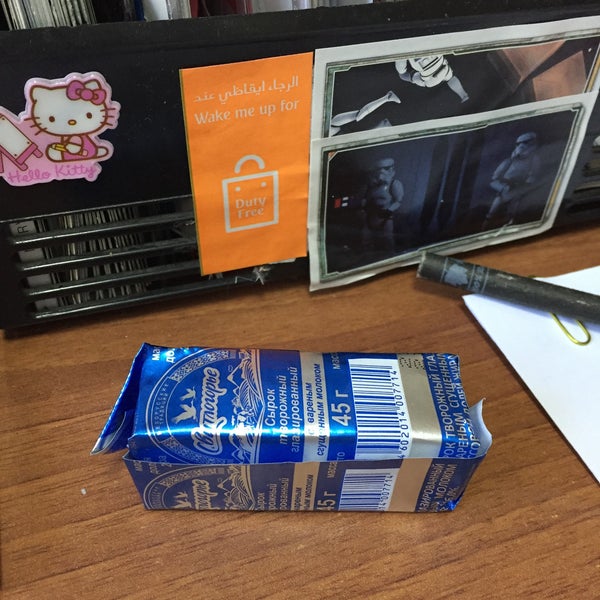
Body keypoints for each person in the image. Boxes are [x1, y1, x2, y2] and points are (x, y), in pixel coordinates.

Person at [482, 131, 541, 230]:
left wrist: (524, 187)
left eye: (526, 143)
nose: (522, 146)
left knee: (512, 214)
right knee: (491, 213)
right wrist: (503, 187)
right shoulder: (508, 161)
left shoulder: (534, 160)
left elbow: (533, 176)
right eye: (519, 144)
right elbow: (494, 179)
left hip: (518, 191)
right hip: (504, 190)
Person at [358, 157, 405, 252]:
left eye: (386, 169)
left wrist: (389, 211)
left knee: (387, 241)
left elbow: (398, 201)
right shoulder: (370, 184)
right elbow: (364, 198)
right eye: (379, 169)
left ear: (391, 169)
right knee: (366, 241)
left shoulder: (394, 184)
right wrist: (362, 209)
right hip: (370, 216)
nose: (382, 172)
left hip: (385, 217)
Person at [394, 55, 469, 103]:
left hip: (439, 66)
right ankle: (463, 94)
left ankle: (463, 94)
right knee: (403, 74)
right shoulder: (430, 81)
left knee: (403, 74)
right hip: (435, 72)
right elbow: (404, 75)